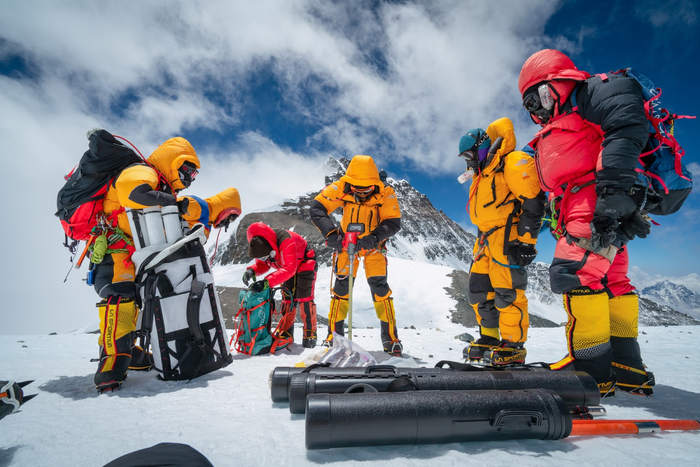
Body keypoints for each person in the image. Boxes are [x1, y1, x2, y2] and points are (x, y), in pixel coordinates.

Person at [518, 49, 654, 396]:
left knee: (572, 273)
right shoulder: (568, 118)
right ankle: (626, 367)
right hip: (589, 204)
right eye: (530, 105)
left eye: (541, 97)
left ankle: (591, 373)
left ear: (559, 82)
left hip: (595, 202)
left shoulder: (594, 91)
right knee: (613, 281)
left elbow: (626, 125)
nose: (538, 109)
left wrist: (614, 194)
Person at [92, 137, 200, 392]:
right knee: (122, 298)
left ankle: (130, 352)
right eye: (190, 170)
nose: (191, 178)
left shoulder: (157, 182)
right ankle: (111, 363)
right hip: (115, 253)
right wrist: (171, 201)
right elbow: (133, 192)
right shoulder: (142, 171)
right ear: (175, 163)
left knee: (138, 298)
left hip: (129, 254)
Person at [459, 118, 545, 365]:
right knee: (479, 292)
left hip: (508, 240)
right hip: (485, 241)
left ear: (482, 148)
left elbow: (533, 201)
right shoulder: (482, 174)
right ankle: (489, 339)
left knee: (508, 294)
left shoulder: (511, 164)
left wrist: (527, 242)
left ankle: (514, 346)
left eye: (469, 154)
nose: (468, 160)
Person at [309, 155, 403, 356]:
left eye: (366, 189)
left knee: (380, 290)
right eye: (356, 188)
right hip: (346, 244)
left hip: (374, 247)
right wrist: (331, 234)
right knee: (341, 290)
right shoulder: (340, 187)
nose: (361, 193)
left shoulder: (386, 192)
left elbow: (393, 222)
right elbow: (317, 208)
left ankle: (391, 340)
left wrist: (374, 237)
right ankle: (334, 337)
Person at [242, 222, 318, 348]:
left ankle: (310, 334)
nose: (265, 260)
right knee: (287, 298)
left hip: (305, 261)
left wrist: (266, 282)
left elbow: (289, 269)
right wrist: (252, 270)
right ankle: (286, 332)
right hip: (289, 266)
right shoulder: (263, 244)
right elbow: (263, 264)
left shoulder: (285, 241)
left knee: (305, 297)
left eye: (266, 257)